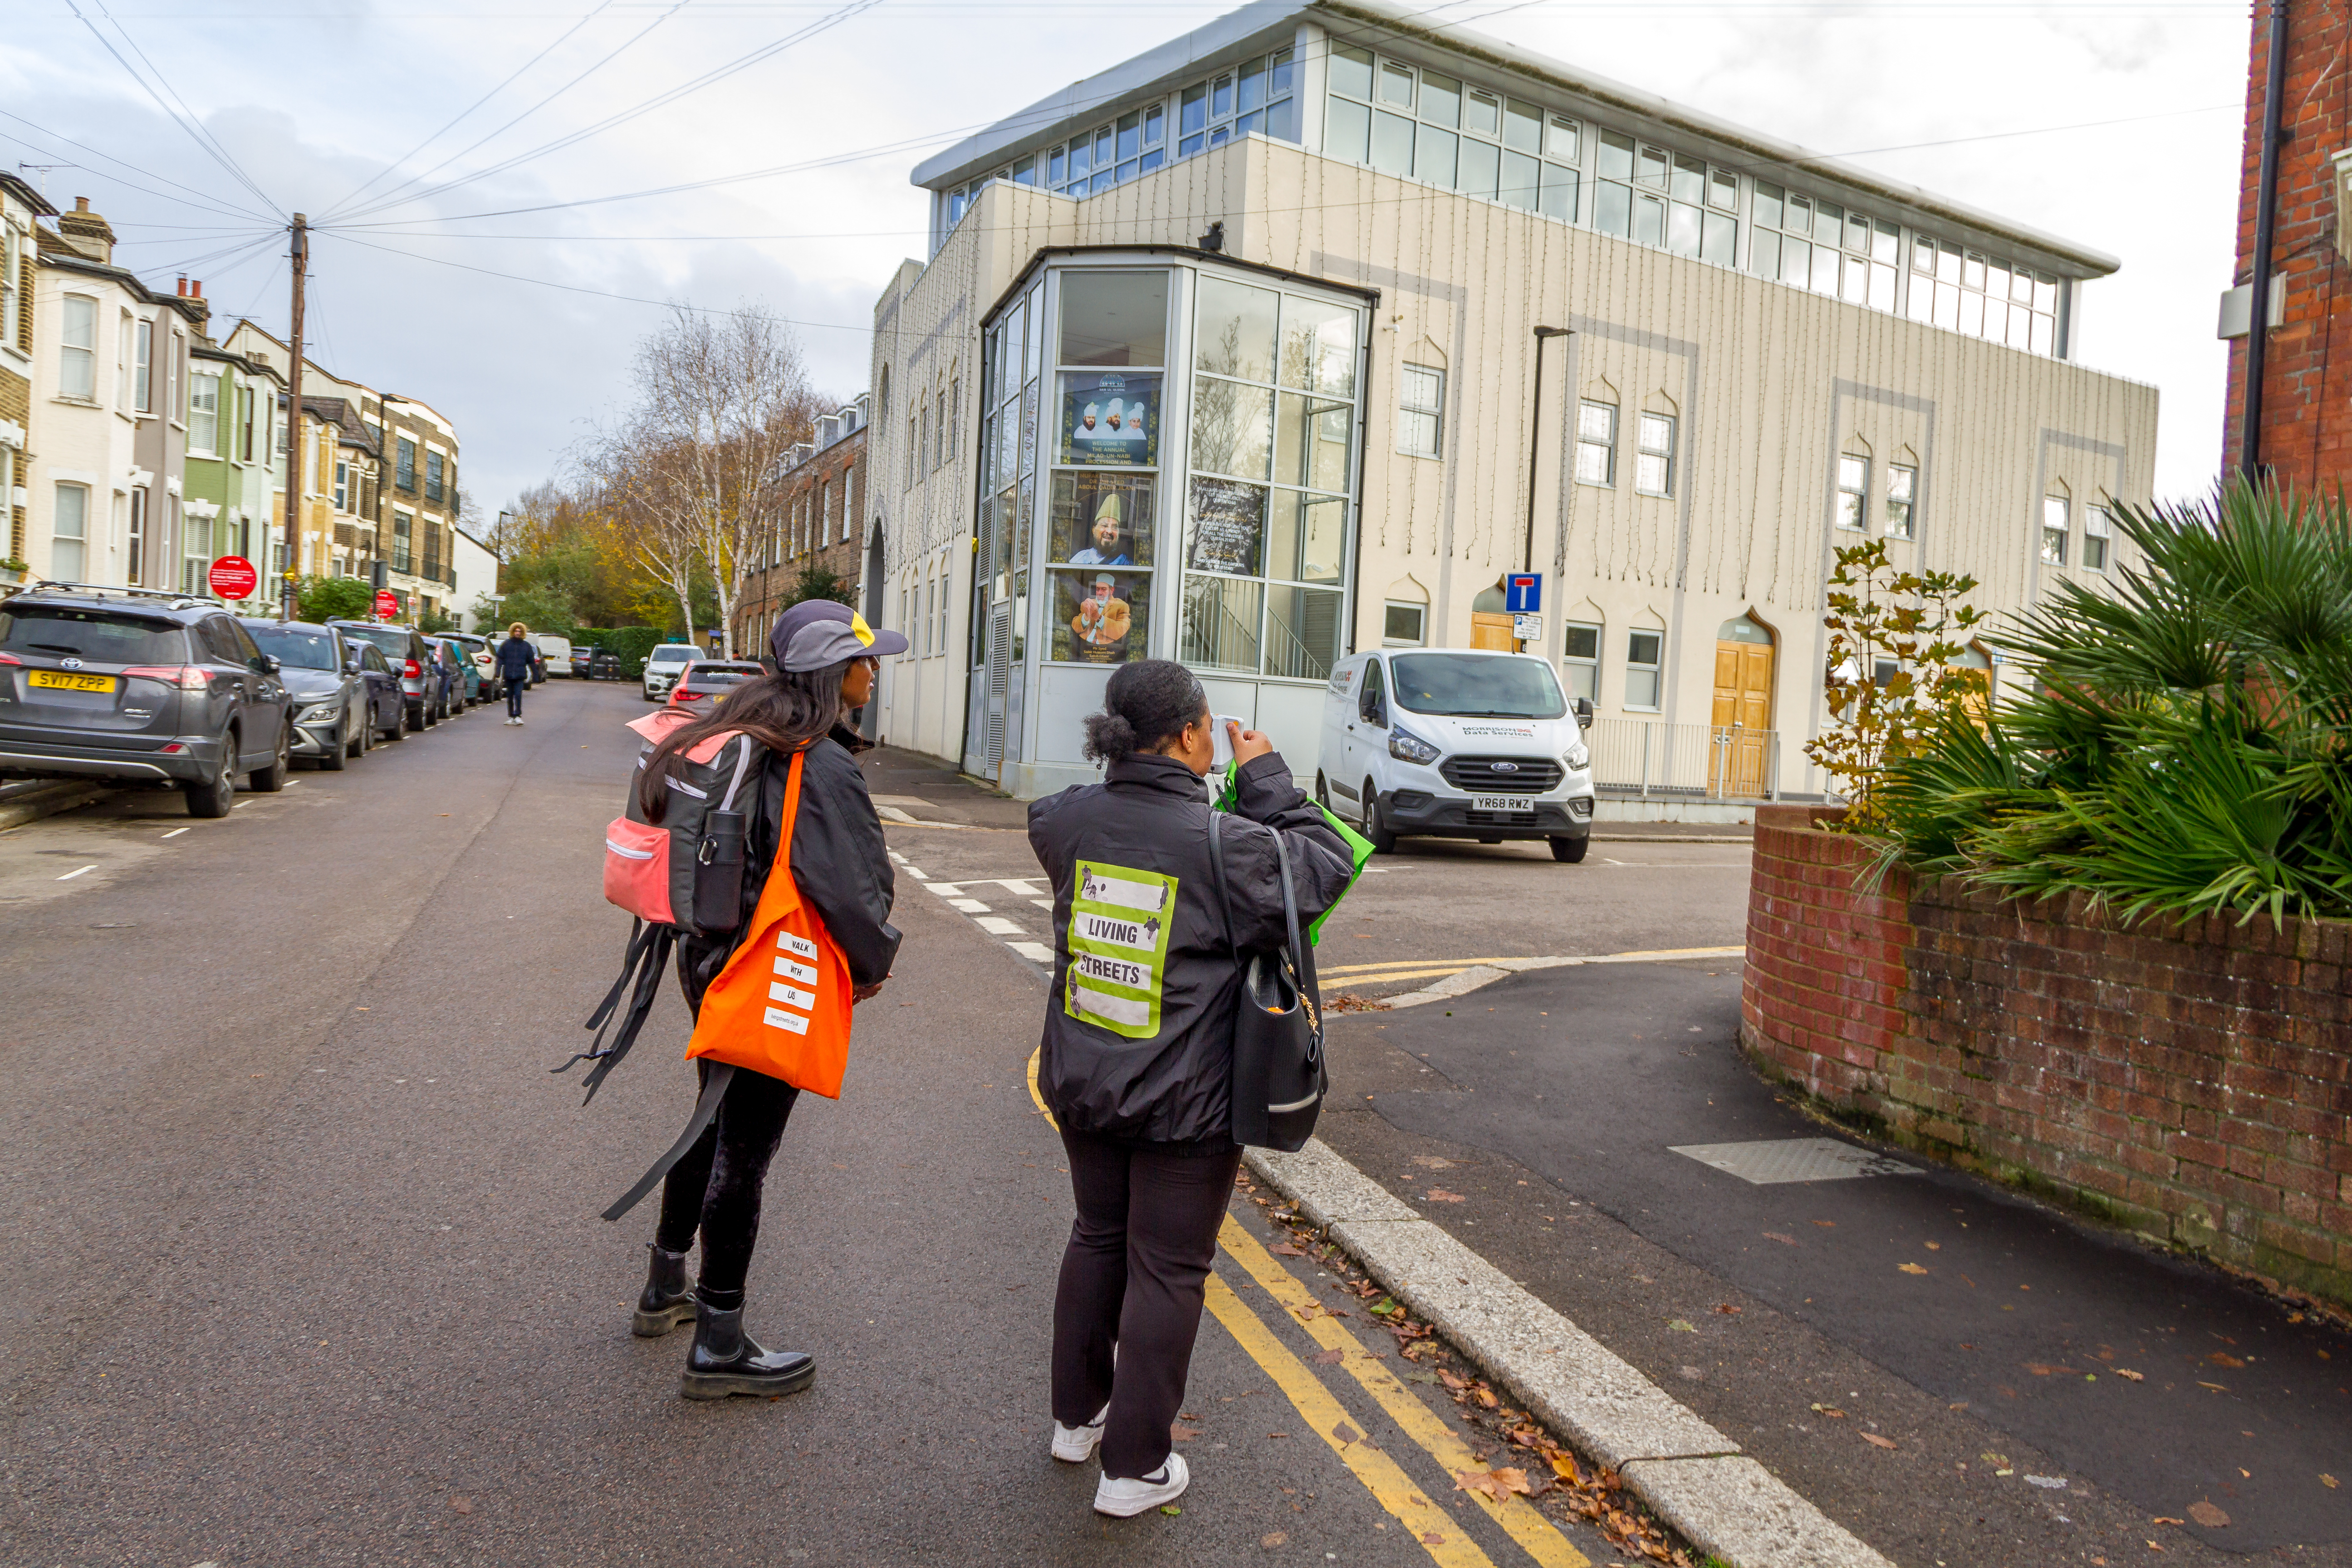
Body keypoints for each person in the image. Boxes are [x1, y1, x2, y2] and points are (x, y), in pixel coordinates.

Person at [1027, 660, 1351, 1515]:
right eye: (1207, 726)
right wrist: (1267, 777)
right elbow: (1323, 867)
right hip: (1185, 1099)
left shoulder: (1061, 821)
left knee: (1097, 1236)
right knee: (1168, 1269)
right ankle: (1134, 1470)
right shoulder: (1230, 845)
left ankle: (1077, 1419)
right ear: (1186, 736)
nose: (1213, 739)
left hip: (1084, 1079)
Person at [630, 599, 907, 1400]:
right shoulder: (815, 760)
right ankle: (718, 1341)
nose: (874, 669)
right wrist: (873, 962)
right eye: (864, 658)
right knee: (745, 1149)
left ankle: (663, 1284)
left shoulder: (745, 732)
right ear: (833, 671)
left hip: (709, 953)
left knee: (710, 1117)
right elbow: (853, 885)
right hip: (771, 963)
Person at [496, 623, 536, 725]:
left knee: (518, 695)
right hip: (509, 675)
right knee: (509, 696)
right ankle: (511, 716)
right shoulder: (506, 644)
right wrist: (497, 672)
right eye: (516, 631)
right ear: (512, 632)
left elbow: (531, 661)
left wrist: (535, 674)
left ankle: (518, 715)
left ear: (522, 633)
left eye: (520, 631)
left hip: (520, 675)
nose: (518, 633)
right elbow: (500, 659)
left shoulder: (526, 646)